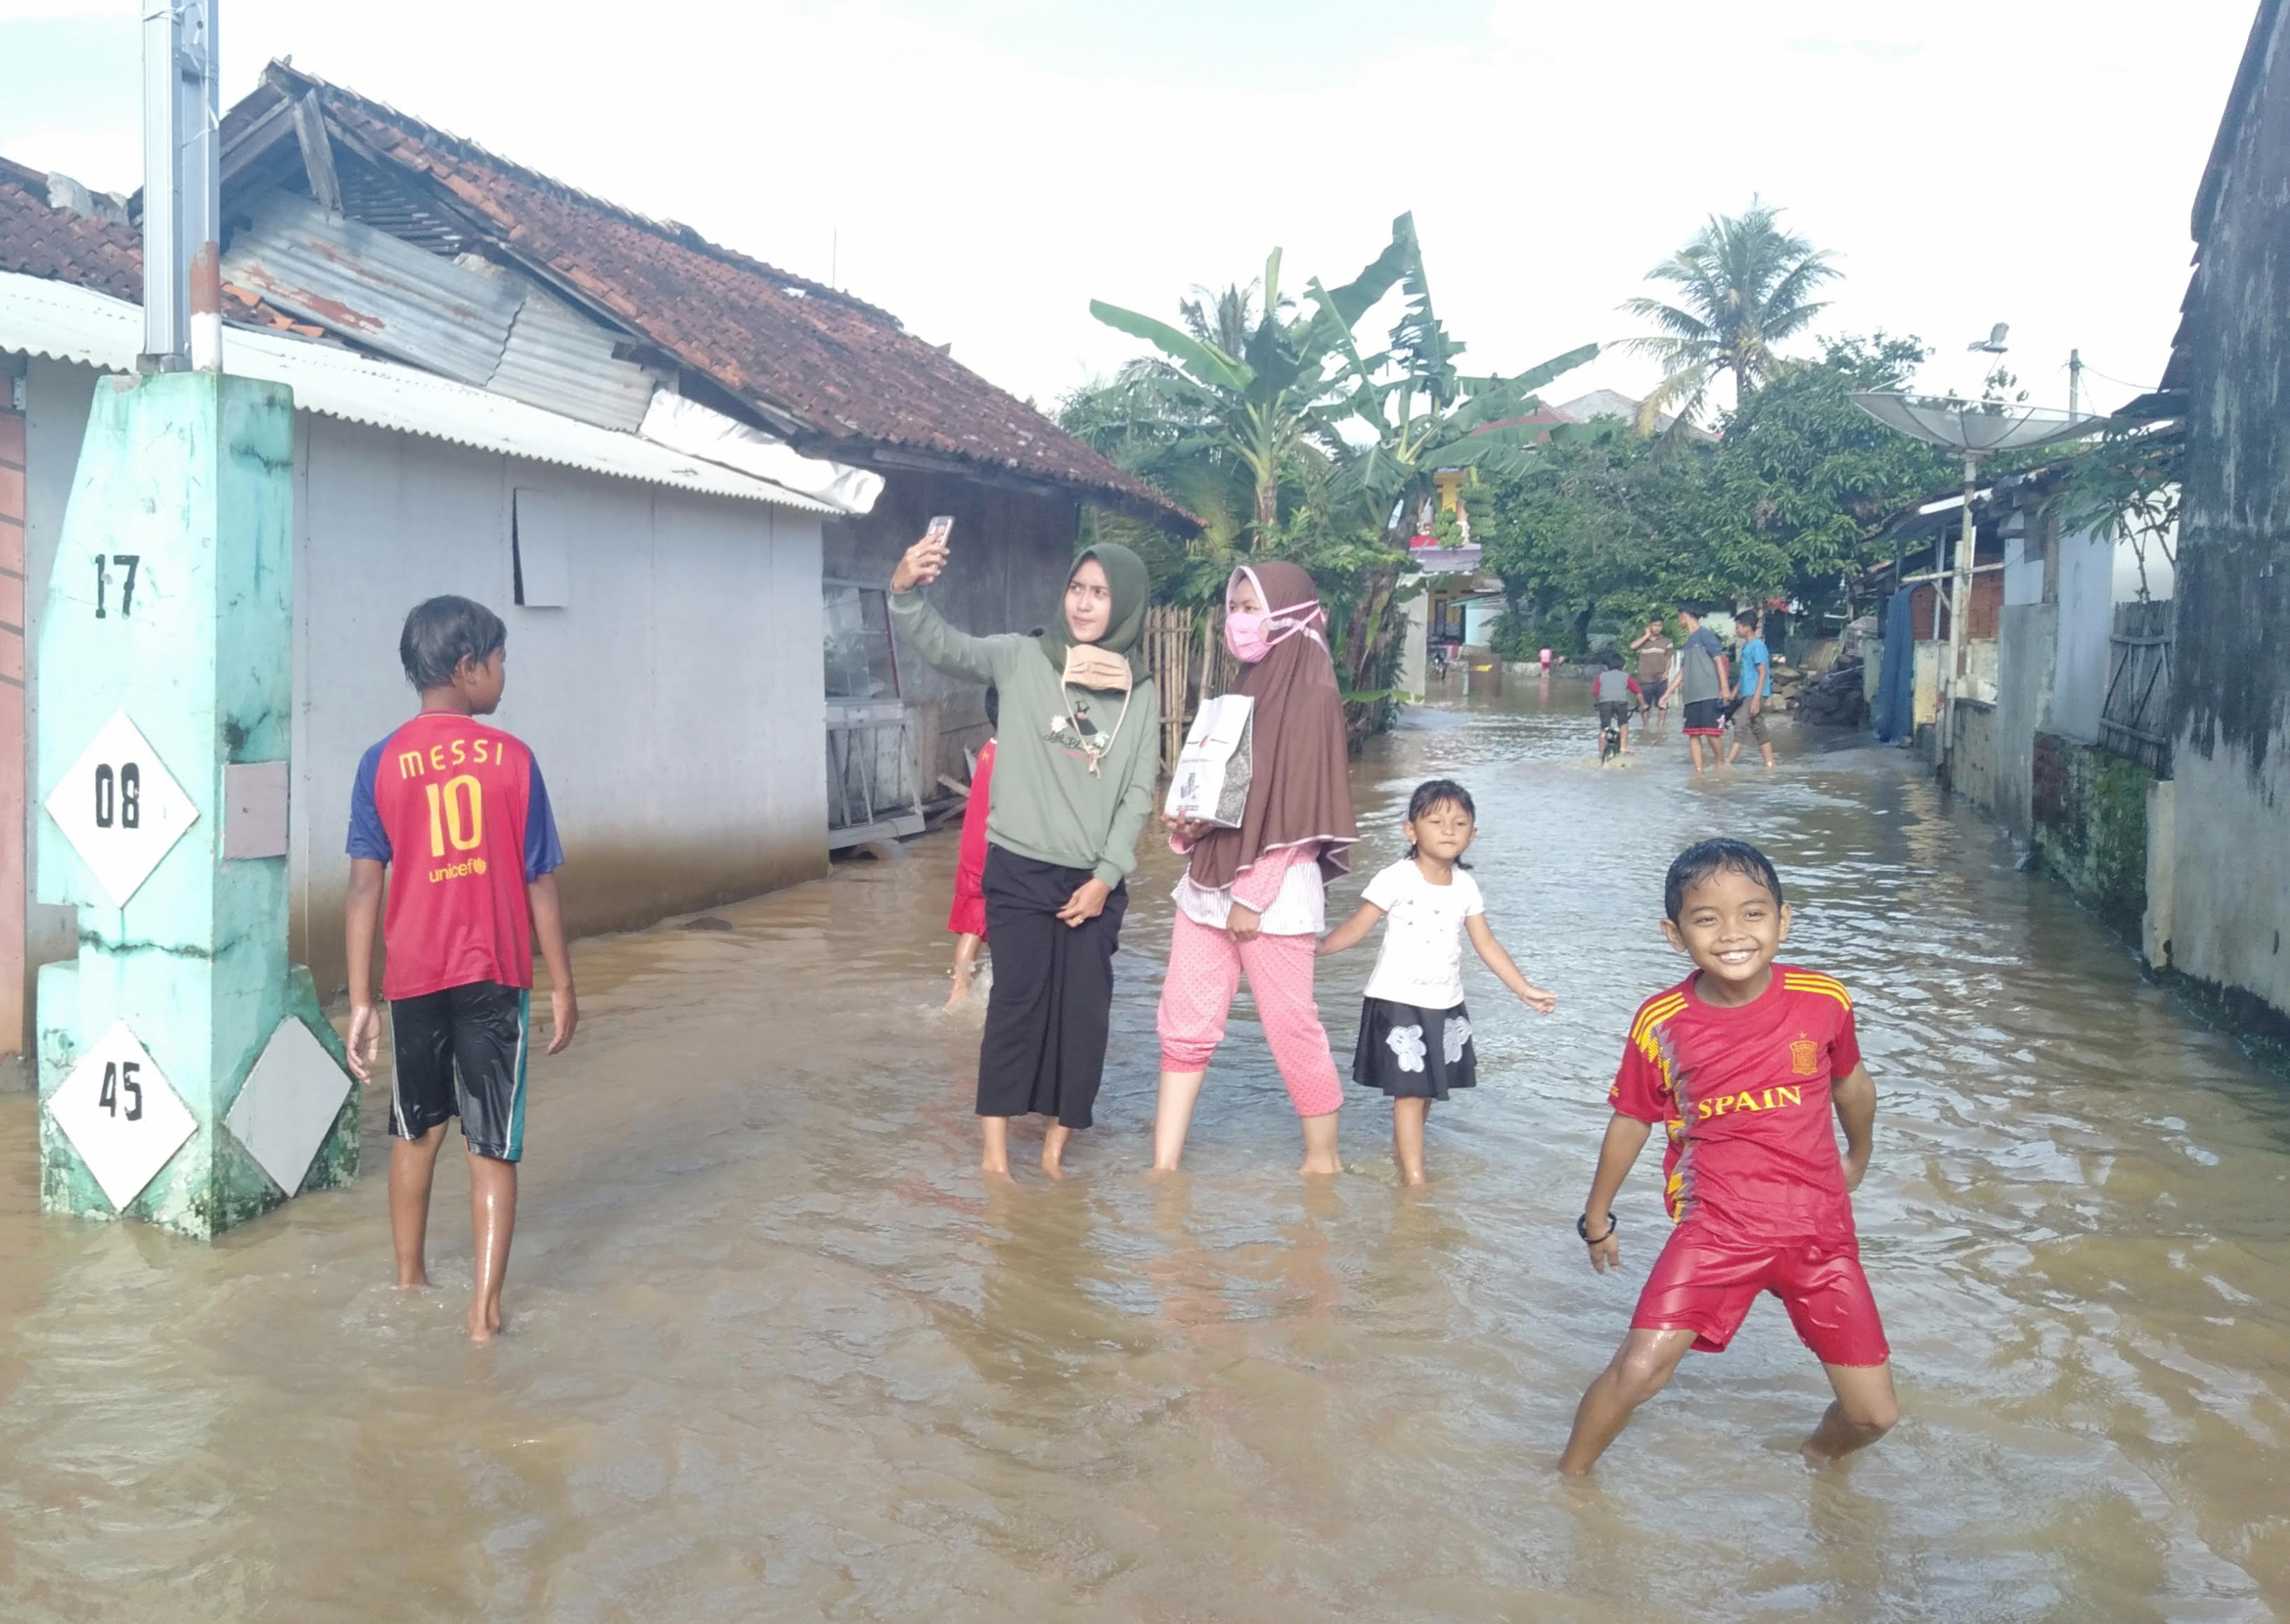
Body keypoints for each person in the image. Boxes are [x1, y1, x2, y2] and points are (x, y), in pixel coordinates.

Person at [1558, 839, 1896, 1475]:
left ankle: (1817, 1458)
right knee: (1638, 1370)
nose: (1733, 933)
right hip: (1717, 1228)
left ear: (1783, 920)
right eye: (1706, 918)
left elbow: (1852, 1084)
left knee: (1874, 1415)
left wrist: (1859, 1155)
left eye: (1753, 913)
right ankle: (1566, 1484)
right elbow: (1633, 1117)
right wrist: (1597, 1216)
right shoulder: (1661, 1020)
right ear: (1674, 933)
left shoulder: (1825, 1000)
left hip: (1820, 1231)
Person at [343, 595, 577, 1343]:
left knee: (415, 1132)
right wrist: (565, 984)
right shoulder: (514, 760)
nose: (505, 673)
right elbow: (539, 880)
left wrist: (359, 1001)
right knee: (491, 1144)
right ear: (467, 666)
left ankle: (409, 1283)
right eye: (500, 659)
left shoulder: (380, 762)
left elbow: (361, 886)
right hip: (493, 976)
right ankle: (483, 1317)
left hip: (412, 978)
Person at [890, 532, 1159, 1178]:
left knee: (1083, 1019)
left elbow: (1139, 791)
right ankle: (994, 1161)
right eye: (1077, 588)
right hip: (1019, 869)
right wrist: (904, 590)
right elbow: (946, 645)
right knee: (1016, 1006)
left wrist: (1105, 876)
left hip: (1094, 881)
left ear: (1122, 605)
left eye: (1099, 593)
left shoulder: (1141, 690)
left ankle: (1054, 1155)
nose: (1084, 604)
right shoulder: (1022, 658)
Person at [1155, 562, 1360, 1177]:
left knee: (1291, 1027)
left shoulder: (1315, 696)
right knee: (1183, 1023)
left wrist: (1255, 894)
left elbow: (1305, 807)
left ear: (1291, 611)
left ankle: (1323, 1163)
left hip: (1273, 893)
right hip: (1206, 884)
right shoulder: (1243, 688)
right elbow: (1224, 789)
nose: (1238, 619)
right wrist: (1185, 826)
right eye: (1235, 605)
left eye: (1252, 606)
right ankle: (1164, 1167)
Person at [1318, 780, 1557, 1185]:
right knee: (1410, 1092)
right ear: (1411, 830)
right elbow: (1358, 927)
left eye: (1460, 823)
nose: (1448, 830)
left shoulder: (1465, 885)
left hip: (1445, 1002)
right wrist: (1315, 949)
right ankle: (1414, 1180)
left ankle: (1402, 1154)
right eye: (1436, 821)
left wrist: (1523, 988)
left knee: (1426, 1089)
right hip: (1396, 999)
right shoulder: (1397, 877)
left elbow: (1486, 942)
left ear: (1473, 835)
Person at [945, 684, 999, 1007]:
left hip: (973, 845)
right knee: (983, 922)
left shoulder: (988, 749)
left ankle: (959, 986)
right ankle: (964, 989)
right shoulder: (1015, 755)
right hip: (992, 850)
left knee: (974, 923)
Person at [1673, 603, 1733, 775]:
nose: (1679, 621)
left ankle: (1721, 765)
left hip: (1709, 693)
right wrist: (1667, 693)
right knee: (1693, 734)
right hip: (1691, 696)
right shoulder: (1689, 642)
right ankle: (1699, 772)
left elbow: (1718, 660)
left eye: (1679, 617)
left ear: (1685, 616)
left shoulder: (1706, 635)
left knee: (1712, 733)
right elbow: (1683, 671)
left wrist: (1724, 688)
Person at [1726, 612, 1777, 770]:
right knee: (1758, 726)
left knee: (1741, 725)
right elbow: (1744, 674)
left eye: (1738, 627)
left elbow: (1763, 673)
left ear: (1747, 628)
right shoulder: (1747, 647)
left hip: (1756, 694)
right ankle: (1770, 764)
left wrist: (1756, 699)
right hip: (1748, 693)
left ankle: (1727, 763)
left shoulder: (1758, 647)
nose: (1736, 630)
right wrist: (1734, 693)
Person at [1592, 652, 1643, 758]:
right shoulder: (1626, 676)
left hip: (1605, 703)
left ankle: (1601, 752)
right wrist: (1644, 705)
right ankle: (1623, 747)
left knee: (1604, 728)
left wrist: (1598, 702)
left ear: (1606, 667)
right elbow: (1638, 692)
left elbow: (1596, 692)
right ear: (1623, 666)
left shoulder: (1601, 676)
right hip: (1621, 703)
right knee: (1623, 724)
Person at [1629, 618, 1674, 724]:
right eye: (1655, 625)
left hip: (1661, 678)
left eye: (1660, 626)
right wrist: (1646, 636)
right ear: (1650, 626)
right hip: (1645, 679)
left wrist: (1667, 672)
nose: (1657, 628)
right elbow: (1632, 647)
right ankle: (1645, 726)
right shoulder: (1643, 641)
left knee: (1662, 704)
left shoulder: (1667, 642)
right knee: (1644, 705)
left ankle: (1661, 726)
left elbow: (1668, 659)